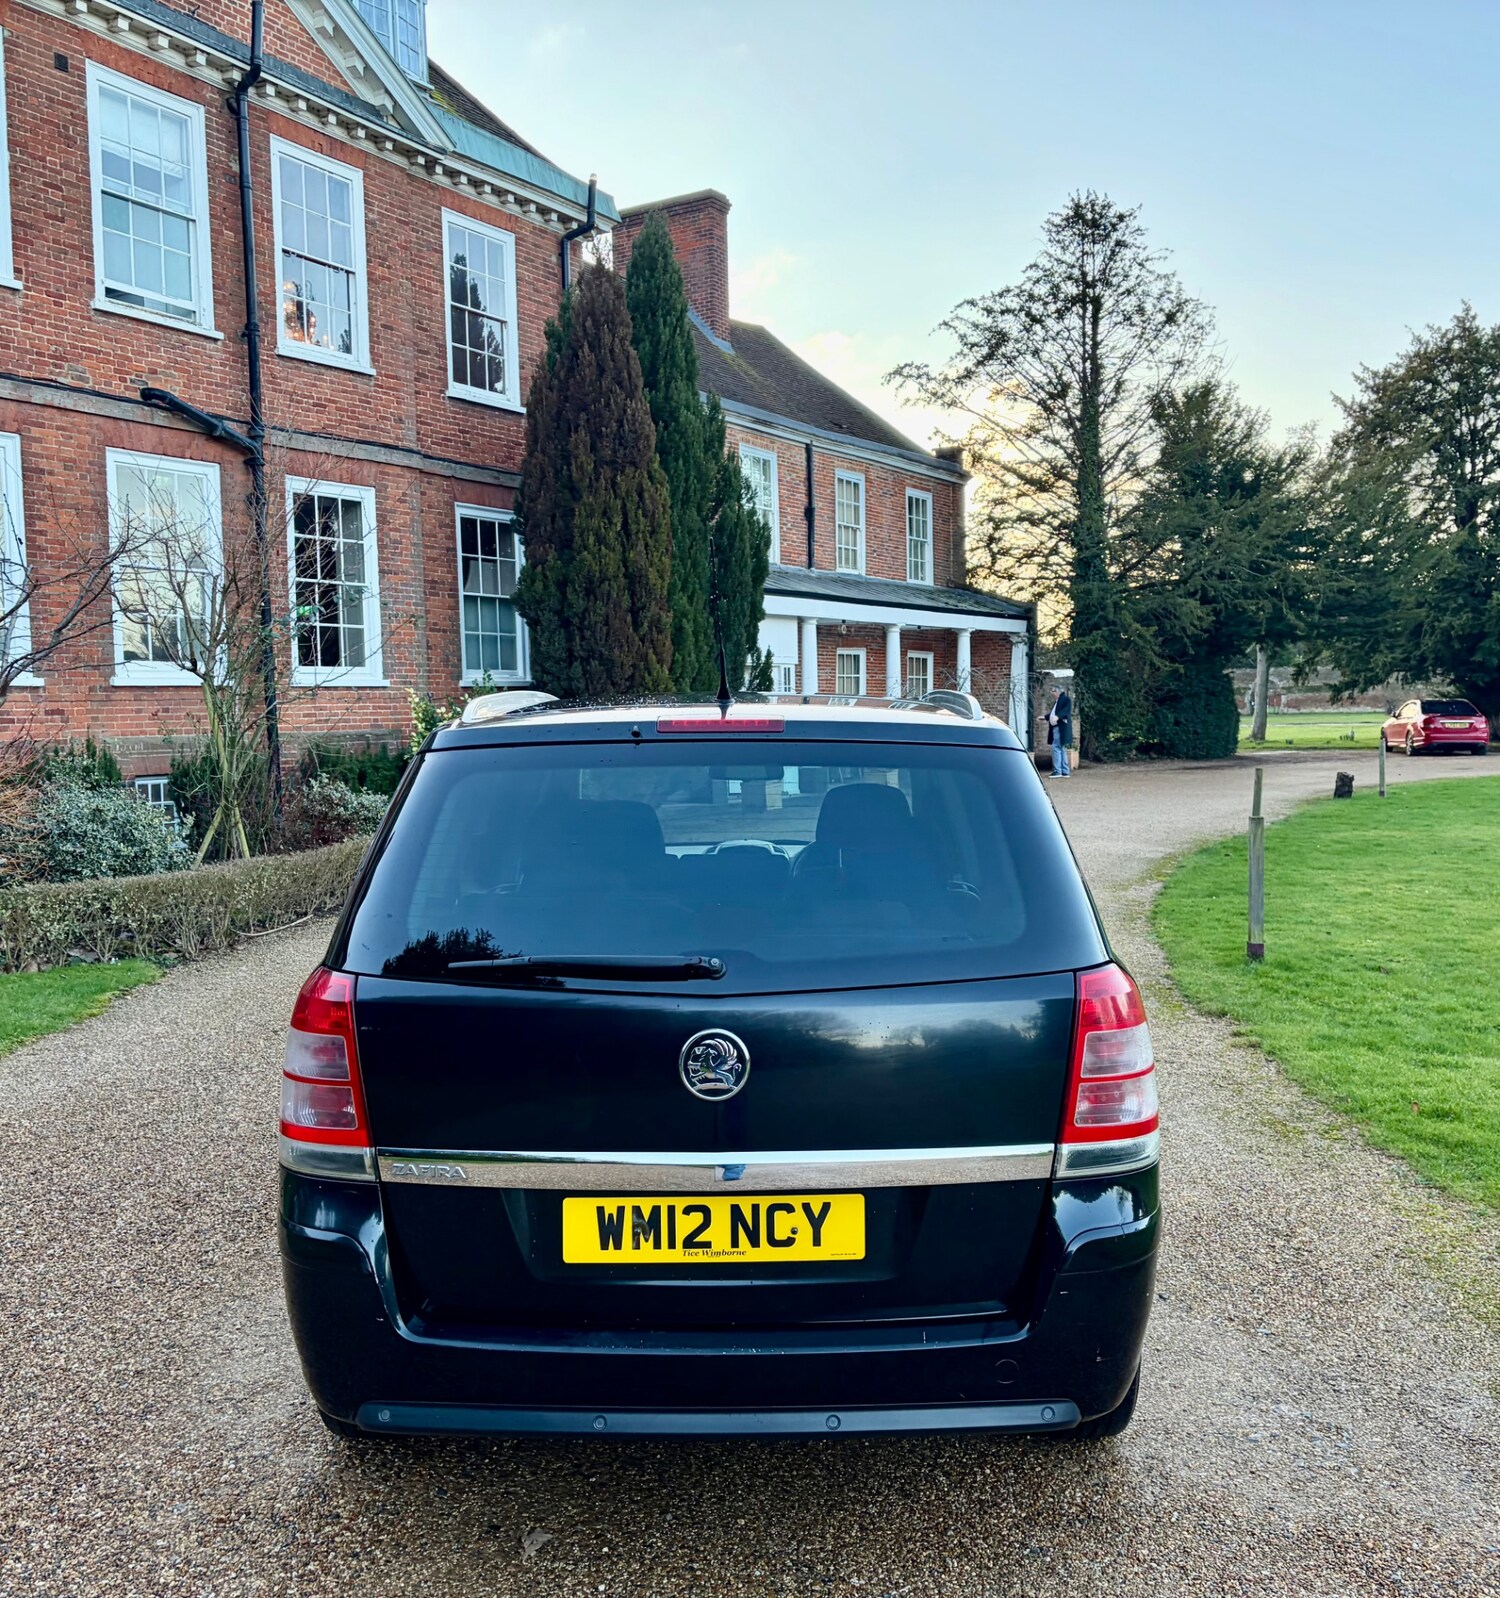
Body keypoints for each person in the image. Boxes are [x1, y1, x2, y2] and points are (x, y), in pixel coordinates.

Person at [1048, 686, 1073, 777]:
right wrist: (1046, 717)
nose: (1052, 693)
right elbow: (1053, 713)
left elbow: (1066, 711)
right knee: (1061, 748)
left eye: (1053, 691)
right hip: (1057, 727)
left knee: (1056, 747)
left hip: (1060, 727)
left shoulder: (1065, 699)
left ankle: (1057, 771)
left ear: (1058, 692)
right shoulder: (1057, 702)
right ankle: (1065, 771)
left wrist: (1058, 716)